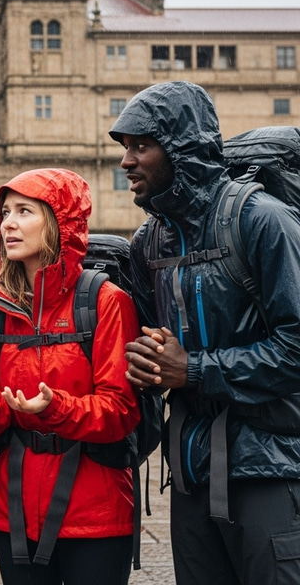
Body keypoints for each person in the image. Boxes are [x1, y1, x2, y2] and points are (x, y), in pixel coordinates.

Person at [110, 80, 300, 585]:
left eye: (141, 145)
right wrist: (148, 365)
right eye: (124, 146)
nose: (126, 161)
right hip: (192, 472)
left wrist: (192, 369)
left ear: (182, 149)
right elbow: (160, 349)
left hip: (272, 468)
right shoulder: (149, 241)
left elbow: (297, 346)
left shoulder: (263, 221)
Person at [0, 168, 141, 585]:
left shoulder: (105, 301)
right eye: (4, 213)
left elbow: (122, 411)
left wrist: (55, 406)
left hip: (96, 508)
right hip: (14, 505)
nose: (9, 224)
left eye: (24, 211)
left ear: (60, 223)